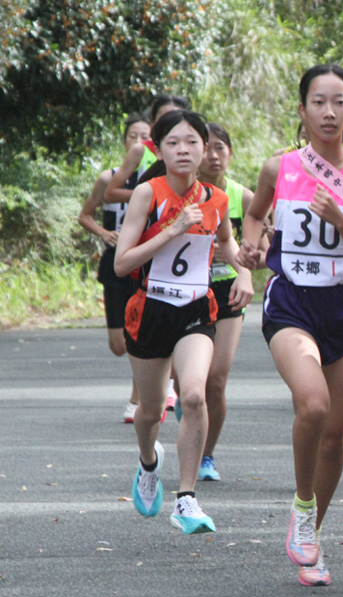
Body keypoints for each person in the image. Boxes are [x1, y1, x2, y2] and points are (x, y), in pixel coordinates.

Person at [238, 63, 343, 586]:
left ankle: (311, 535)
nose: (329, 112)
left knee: (335, 440)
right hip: (291, 304)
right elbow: (254, 215)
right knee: (315, 404)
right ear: (301, 111)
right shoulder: (277, 167)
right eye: (318, 102)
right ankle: (303, 509)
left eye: (339, 102)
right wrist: (252, 243)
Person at [114, 109, 253, 534]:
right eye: (173, 142)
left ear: (205, 148)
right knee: (150, 412)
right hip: (151, 310)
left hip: (196, 310)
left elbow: (228, 246)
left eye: (192, 142)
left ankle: (186, 498)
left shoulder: (217, 199)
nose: (184, 150)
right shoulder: (147, 194)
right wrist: (171, 230)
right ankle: (148, 462)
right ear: (159, 148)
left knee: (193, 395)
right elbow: (122, 263)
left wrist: (245, 272)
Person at [105, 94, 190, 416]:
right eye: (167, 119)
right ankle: (148, 400)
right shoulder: (142, 153)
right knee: (129, 339)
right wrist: (153, 194)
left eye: (181, 116)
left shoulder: (191, 155)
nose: (176, 126)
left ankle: (167, 395)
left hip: (182, 262)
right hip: (140, 244)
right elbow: (110, 193)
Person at [188, 122, 258, 481]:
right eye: (208, 148)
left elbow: (254, 248)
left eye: (222, 148)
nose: (214, 156)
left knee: (215, 379)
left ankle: (206, 456)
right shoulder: (181, 192)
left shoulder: (243, 197)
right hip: (185, 289)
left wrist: (247, 270)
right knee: (190, 383)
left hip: (229, 288)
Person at [78, 112, 152, 422]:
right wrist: (104, 233)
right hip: (114, 261)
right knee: (118, 344)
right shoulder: (109, 179)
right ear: (124, 142)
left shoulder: (156, 179)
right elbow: (85, 215)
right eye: (132, 136)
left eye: (143, 137)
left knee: (141, 334)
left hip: (144, 260)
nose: (137, 142)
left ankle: (138, 399)